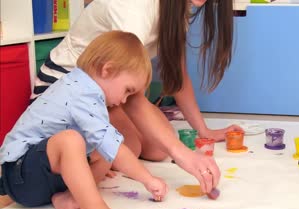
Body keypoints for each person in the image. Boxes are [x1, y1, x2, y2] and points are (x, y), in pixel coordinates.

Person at [32, 0, 241, 194]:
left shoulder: (178, 9)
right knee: (132, 147)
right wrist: (184, 155)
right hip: (65, 90)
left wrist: (203, 131)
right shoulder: (134, 9)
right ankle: (85, 160)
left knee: (159, 150)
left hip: (108, 93)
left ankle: (96, 151)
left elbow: (179, 76)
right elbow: (131, 96)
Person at [0, 31, 168, 209]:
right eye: (126, 90)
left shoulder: (91, 94)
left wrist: (88, 163)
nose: (124, 100)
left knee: (104, 148)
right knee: (76, 141)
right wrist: (148, 179)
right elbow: (112, 147)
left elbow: (108, 146)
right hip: (20, 176)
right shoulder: (81, 91)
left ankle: (69, 197)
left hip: (47, 176)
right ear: (107, 70)